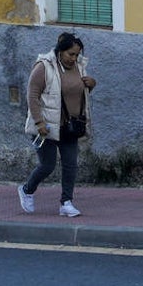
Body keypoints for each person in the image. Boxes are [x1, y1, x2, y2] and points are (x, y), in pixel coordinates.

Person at [18, 32, 97, 217]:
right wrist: (39, 122)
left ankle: (66, 203)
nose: (74, 58)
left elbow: (78, 94)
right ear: (60, 51)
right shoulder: (43, 67)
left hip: (70, 126)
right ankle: (27, 190)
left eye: (77, 54)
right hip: (47, 127)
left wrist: (91, 84)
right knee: (48, 165)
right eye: (71, 54)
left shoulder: (79, 67)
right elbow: (32, 95)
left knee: (71, 165)